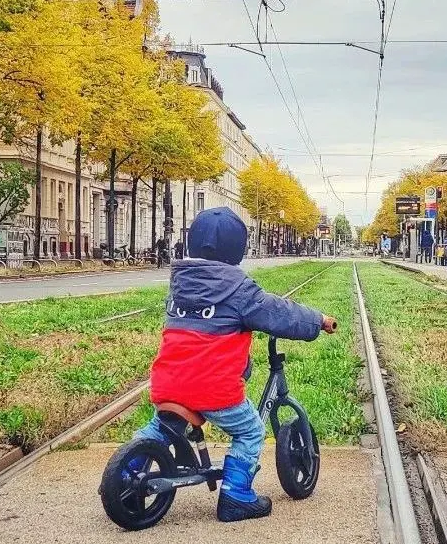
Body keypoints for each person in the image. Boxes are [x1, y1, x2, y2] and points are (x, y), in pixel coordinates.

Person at [130, 207, 338, 523]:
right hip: (212, 388)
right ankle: (236, 496)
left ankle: (126, 470)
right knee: (251, 430)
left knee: (159, 427)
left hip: (168, 382)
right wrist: (317, 321)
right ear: (238, 249)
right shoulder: (239, 289)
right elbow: (280, 313)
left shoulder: (180, 283)